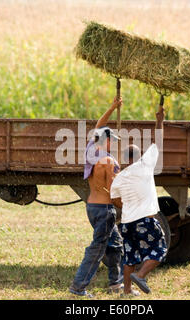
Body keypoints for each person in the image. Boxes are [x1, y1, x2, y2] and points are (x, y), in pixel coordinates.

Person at [69, 97, 124, 298]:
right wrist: (124, 209)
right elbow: (114, 192)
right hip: (105, 210)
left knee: (116, 244)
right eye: (112, 141)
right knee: (97, 249)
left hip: (92, 207)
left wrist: (112, 107)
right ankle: (78, 287)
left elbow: (98, 127)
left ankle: (115, 283)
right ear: (106, 140)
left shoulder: (90, 152)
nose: (113, 145)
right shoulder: (110, 162)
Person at [110, 111, 168, 295]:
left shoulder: (119, 178)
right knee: (160, 250)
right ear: (139, 156)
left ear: (126, 159)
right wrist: (160, 121)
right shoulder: (145, 165)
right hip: (146, 221)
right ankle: (141, 276)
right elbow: (158, 140)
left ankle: (127, 290)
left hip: (127, 223)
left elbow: (114, 199)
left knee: (130, 257)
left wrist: (126, 207)